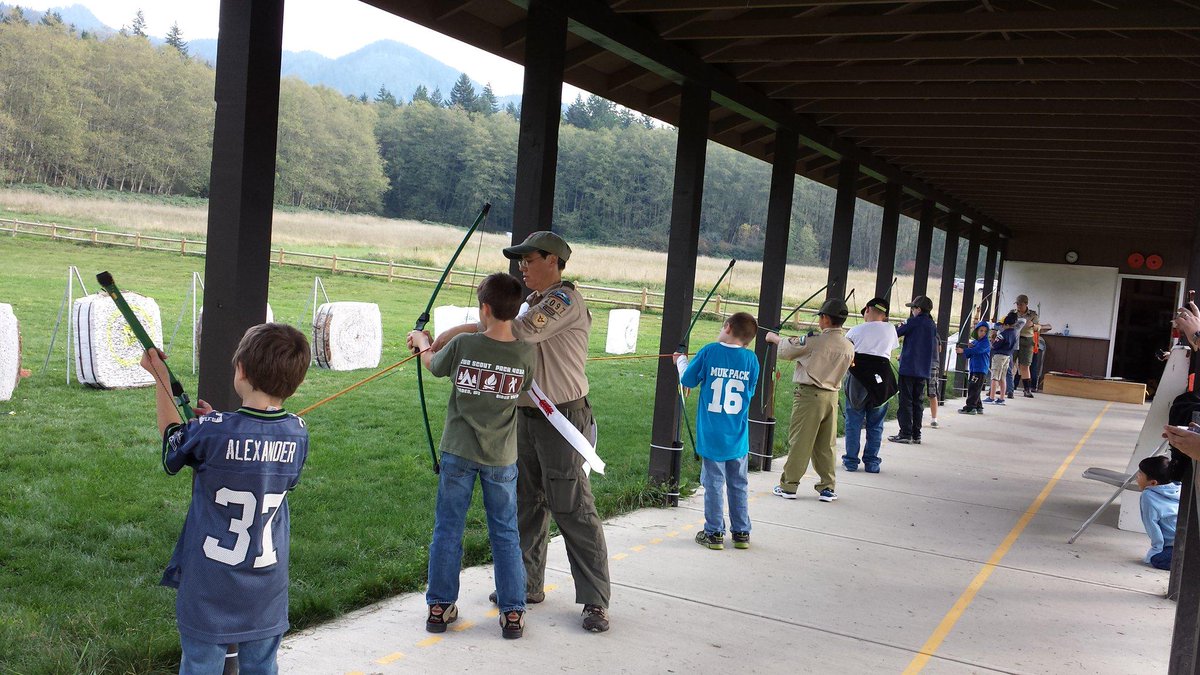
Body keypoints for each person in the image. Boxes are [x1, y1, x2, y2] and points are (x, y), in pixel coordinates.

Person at [431, 230, 611, 633]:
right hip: (524, 417)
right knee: (526, 503)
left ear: (554, 261)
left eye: (529, 260)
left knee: (572, 506)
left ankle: (595, 599)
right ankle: (527, 585)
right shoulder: (530, 300)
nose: (522, 267)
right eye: (520, 261)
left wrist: (449, 335)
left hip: (561, 417)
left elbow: (518, 332)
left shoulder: (563, 300)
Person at [140, 323, 310, 675]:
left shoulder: (213, 430)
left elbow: (173, 438)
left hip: (210, 589)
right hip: (266, 589)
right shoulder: (298, 431)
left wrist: (160, 378)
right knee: (263, 667)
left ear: (242, 370)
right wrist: (216, 425)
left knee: (201, 666)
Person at [408, 273, 536, 639]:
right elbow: (523, 385)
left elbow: (433, 365)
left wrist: (421, 341)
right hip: (501, 458)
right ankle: (513, 613)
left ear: (484, 308)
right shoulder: (526, 352)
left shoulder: (465, 344)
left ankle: (439, 606)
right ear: (513, 310)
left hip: (458, 453)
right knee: (506, 533)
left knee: (448, 528)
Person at [675, 312, 759, 550]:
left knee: (713, 483)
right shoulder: (752, 360)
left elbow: (688, 379)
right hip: (738, 436)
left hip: (712, 435)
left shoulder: (709, 351)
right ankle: (742, 532)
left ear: (728, 327)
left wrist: (680, 360)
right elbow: (749, 392)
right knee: (738, 483)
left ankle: (713, 533)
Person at [766, 298, 854, 502]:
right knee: (827, 445)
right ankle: (827, 487)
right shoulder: (848, 345)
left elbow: (788, 350)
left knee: (800, 442)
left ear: (825, 318)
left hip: (809, 396)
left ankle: (789, 485)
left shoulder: (815, 340)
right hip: (832, 397)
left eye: (820, 317)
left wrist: (774, 338)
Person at [842, 297, 899, 473]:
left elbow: (847, 350)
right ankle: (872, 463)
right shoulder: (891, 330)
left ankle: (851, 461)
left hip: (858, 380)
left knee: (853, 421)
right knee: (876, 424)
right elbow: (892, 348)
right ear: (885, 315)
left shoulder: (855, 330)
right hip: (881, 381)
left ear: (867, 309)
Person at [890, 295, 937, 445]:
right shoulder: (931, 324)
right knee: (918, 402)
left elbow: (896, 333)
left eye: (913, 308)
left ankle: (905, 433)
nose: (911, 311)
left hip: (909, 368)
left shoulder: (913, 322)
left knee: (905, 401)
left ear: (918, 309)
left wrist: (897, 326)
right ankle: (916, 434)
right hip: (923, 369)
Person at [1136, 455, 1179, 571]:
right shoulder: (1177, 487)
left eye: (1140, 474)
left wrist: (1155, 550)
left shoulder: (1148, 496)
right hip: (1188, 541)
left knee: (1157, 559)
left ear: (1153, 483)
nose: (1137, 477)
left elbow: (1152, 526)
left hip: (1176, 546)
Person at [1014, 294, 1050, 398]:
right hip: (1014, 339)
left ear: (1026, 304)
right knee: (1010, 365)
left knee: (1025, 366)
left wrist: (1033, 325)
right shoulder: (1013, 313)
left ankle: (1027, 390)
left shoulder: (1033, 314)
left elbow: (1038, 327)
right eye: (1017, 304)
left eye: (1021, 304)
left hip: (1027, 340)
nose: (1018, 306)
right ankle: (1008, 388)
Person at [956, 321, 991, 415]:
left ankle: (970, 408)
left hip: (980, 370)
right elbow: (973, 349)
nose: (983, 333)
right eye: (981, 330)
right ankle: (978, 407)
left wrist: (963, 350)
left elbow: (977, 350)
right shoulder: (976, 342)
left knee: (973, 387)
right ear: (977, 331)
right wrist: (967, 348)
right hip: (974, 369)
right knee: (976, 387)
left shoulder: (986, 343)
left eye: (985, 331)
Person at [987, 313, 1018, 405]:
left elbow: (995, 345)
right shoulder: (1014, 333)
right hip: (1008, 356)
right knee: (1003, 377)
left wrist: (993, 341)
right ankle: (1001, 398)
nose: (1002, 327)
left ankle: (991, 397)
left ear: (1007, 324)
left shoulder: (1003, 334)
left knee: (994, 377)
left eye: (1003, 325)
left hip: (999, 356)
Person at [928, 338, 942, 428]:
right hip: (934, 364)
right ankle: (934, 419)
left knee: (917, 392)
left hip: (922, 364)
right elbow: (940, 349)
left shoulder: (920, 331)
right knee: (933, 393)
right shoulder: (936, 334)